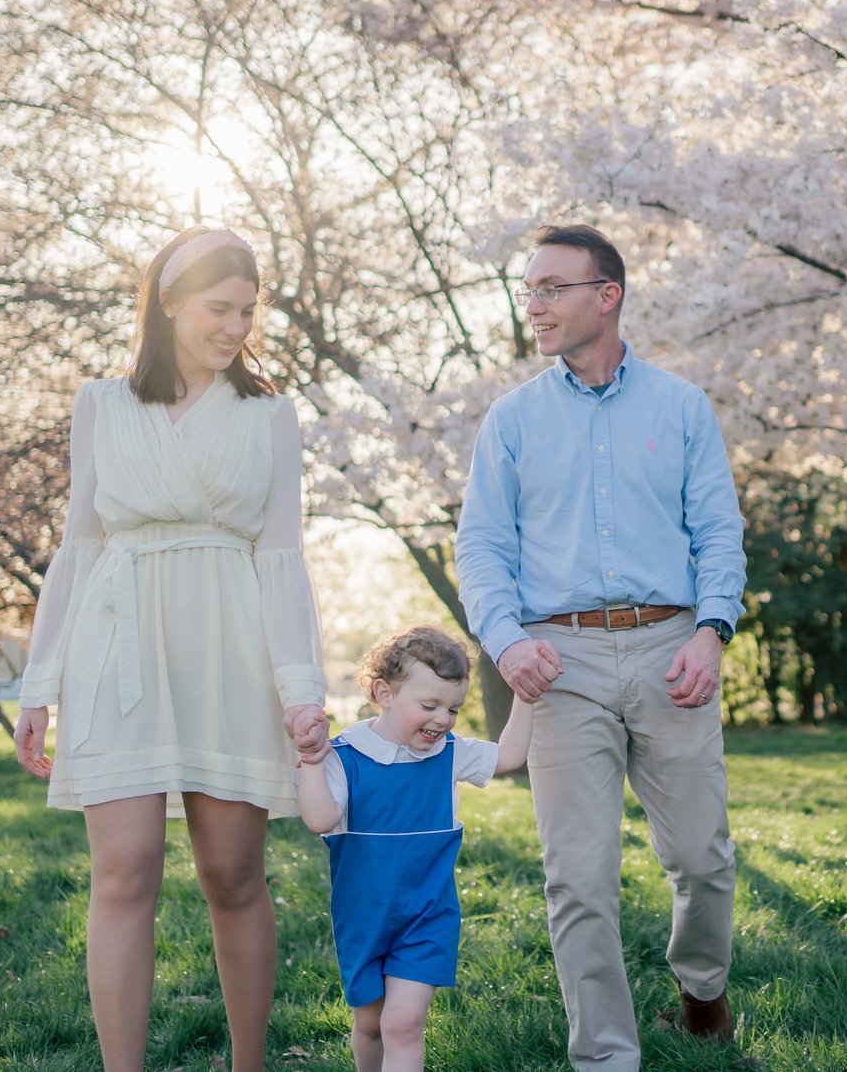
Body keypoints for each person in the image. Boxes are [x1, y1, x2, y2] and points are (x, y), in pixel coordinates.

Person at [13, 225, 332, 1072]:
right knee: (126, 870)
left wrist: (301, 686)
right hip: (118, 649)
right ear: (169, 301)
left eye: (247, 311)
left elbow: (280, 553)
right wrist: (36, 685)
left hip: (231, 650)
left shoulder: (270, 413)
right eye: (219, 308)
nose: (235, 326)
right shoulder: (101, 404)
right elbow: (79, 545)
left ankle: (248, 1063)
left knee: (232, 873)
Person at [455, 223, 747, 1071]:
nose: (534, 304)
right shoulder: (510, 422)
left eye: (553, 287)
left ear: (606, 295)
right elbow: (482, 548)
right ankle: (607, 1056)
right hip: (558, 661)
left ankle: (701, 993)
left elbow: (718, 533)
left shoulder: (682, 407)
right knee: (578, 877)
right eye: (530, 289)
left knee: (701, 855)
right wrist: (507, 643)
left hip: (671, 647)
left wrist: (710, 630)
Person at [295, 625, 533, 1072]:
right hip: (364, 917)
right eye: (429, 706)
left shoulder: (449, 753)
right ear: (383, 694)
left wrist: (525, 696)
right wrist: (312, 762)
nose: (442, 719)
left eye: (453, 709)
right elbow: (320, 819)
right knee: (369, 1024)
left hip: (427, 915)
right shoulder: (345, 755)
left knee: (403, 1023)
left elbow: (510, 756)